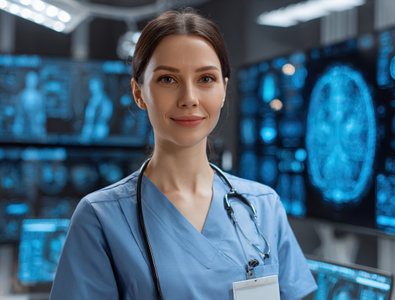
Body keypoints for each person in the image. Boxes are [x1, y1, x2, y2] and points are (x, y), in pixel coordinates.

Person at [50, 8, 316, 299]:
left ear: (224, 90)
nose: (189, 98)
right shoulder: (100, 217)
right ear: (139, 93)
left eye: (206, 79)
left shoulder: (263, 206)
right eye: (167, 79)